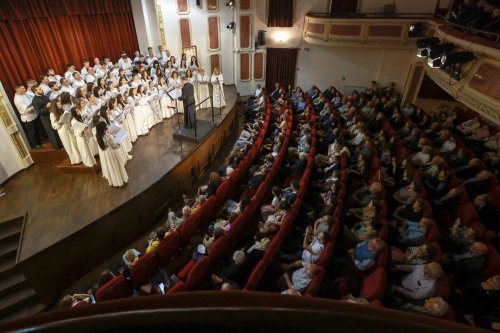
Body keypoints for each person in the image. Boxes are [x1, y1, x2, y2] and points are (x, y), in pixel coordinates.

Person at [95, 121, 129, 187]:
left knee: (113, 166)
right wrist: (119, 142)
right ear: (103, 128)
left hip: (107, 153)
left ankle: (117, 180)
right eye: (105, 125)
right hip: (111, 152)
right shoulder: (105, 136)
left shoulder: (99, 135)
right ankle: (121, 179)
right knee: (116, 165)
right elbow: (113, 145)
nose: (107, 126)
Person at [49, 98, 81, 164]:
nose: (61, 105)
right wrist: (59, 122)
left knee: (74, 142)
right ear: (55, 106)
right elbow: (54, 126)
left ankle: (80, 157)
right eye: (59, 104)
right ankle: (75, 159)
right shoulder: (52, 114)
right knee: (69, 144)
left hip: (68, 127)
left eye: (60, 103)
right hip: (62, 130)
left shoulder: (61, 110)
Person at [14, 84, 42, 149]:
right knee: (32, 132)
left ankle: (39, 142)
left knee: (37, 129)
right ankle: (35, 146)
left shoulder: (25, 94)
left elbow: (33, 98)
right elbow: (26, 109)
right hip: (27, 117)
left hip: (34, 114)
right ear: (18, 90)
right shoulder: (17, 99)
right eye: (23, 88)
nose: (25, 89)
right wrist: (34, 105)